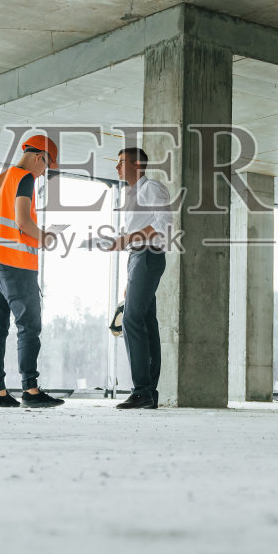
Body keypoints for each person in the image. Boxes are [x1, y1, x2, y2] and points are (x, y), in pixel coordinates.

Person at [0, 134, 66, 409]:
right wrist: (45, 237)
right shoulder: (25, 178)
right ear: (39, 157)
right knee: (29, 325)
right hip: (15, 262)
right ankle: (31, 390)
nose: (44, 172)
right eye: (46, 166)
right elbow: (22, 221)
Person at [95, 147, 173, 409]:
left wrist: (127, 239)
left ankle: (141, 391)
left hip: (149, 255)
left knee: (131, 320)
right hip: (138, 259)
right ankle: (149, 393)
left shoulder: (151, 187)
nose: (116, 168)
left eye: (120, 163)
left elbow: (164, 225)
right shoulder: (132, 195)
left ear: (137, 164)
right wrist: (130, 277)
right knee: (146, 323)